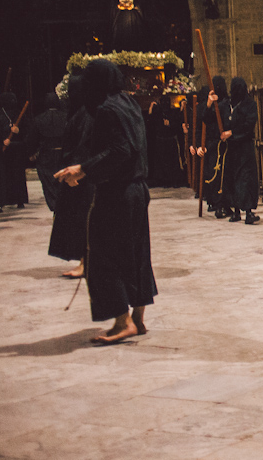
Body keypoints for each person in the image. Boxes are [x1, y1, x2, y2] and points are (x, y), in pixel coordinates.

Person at [55, 60, 157, 344]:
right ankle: (138, 320)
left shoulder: (107, 110)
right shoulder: (129, 103)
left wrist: (83, 169)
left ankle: (121, 323)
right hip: (137, 190)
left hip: (117, 193)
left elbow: (120, 151)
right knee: (136, 254)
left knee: (103, 256)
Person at [48, 75, 93, 278]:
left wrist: (77, 172)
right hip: (75, 172)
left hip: (80, 176)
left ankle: (86, 262)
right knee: (77, 219)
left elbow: (84, 146)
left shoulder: (85, 113)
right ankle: (84, 260)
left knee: (82, 219)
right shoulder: (80, 112)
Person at [220, 77, 259, 224]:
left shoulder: (249, 105)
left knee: (246, 179)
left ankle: (248, 211)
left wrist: (232, 132)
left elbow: (249, 125)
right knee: (233, 178)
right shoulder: (226, 105)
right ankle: (236, 211)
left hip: (245, 147)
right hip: (231, 148)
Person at [28, 93, 67, 211]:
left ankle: (54, 207)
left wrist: (31, 153)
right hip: (63, 154)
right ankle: (62, 207)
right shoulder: (66, 117)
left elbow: (32, 138)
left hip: (46, 155)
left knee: (49, 183)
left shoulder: (39, 119)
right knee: (62, 183)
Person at [0, 92, 29, 209]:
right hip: (3, 149)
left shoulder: (18, 112)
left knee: (17, 175)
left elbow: (28, 129)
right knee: (4, 175)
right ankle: (2, 201)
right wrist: (2, 139)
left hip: (17, 148)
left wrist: (19, 131)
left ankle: (19, 200)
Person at [200, 75, 231, 218]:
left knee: (225, 176)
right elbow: (205, 119)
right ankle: (216, 204)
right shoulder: (213, 104)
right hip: (213, 144)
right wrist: (209, 103)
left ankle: (225, 205)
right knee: (214, 174)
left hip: (224, 143)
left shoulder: (226, 103)